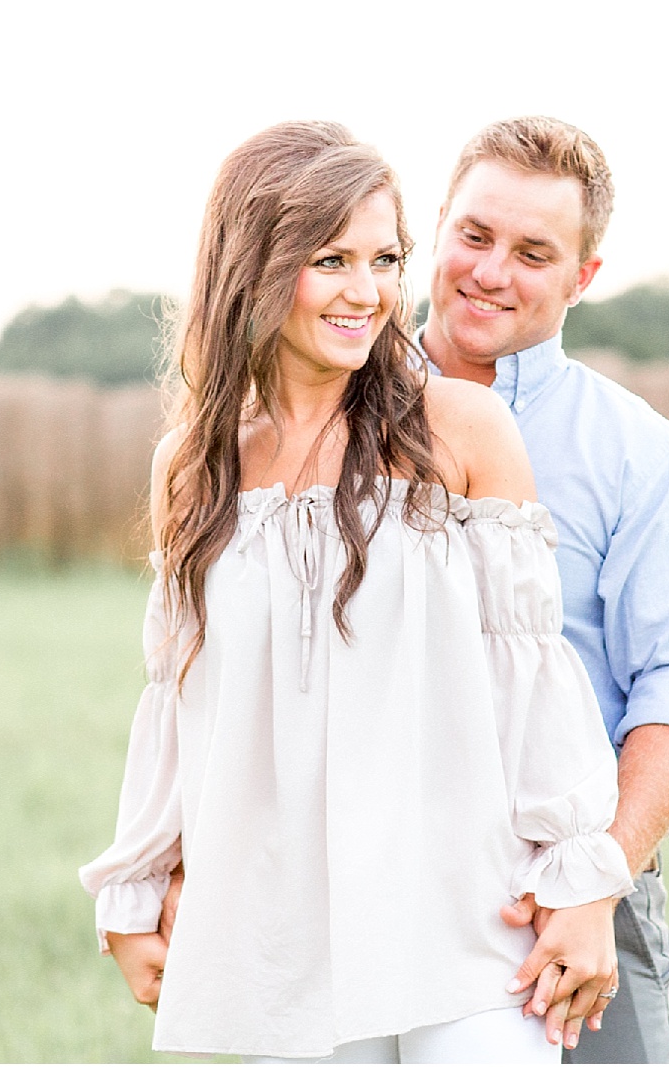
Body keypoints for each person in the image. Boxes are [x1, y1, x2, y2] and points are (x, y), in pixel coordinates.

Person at [78, 121, 634, 1062]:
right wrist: (134, 889)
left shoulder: (459, 429)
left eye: (385, 258)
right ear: (253, 266)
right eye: (330, 259)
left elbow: (532, 679)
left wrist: (585, 885)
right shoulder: (198, 468)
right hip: (282, 940)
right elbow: (178, 705)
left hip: (472, 923)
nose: (367, 291)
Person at [418, 117, 669, 1064]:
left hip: (582, 892)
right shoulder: (334, 422)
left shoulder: (644, 457)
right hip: (379, 877)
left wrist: (595, 881)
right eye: (475, 236)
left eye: (533, 252)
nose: (490, 271)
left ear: (583, 276)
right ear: (438, 226)